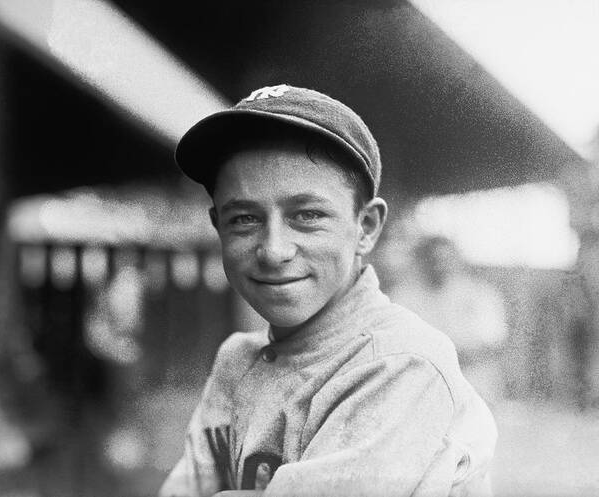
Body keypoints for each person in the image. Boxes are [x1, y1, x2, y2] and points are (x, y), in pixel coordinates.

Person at [159, 84, 497, 497]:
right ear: (218, 226)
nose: (273, 250)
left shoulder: (399, 362)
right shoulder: (236, 361)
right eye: (244, 219)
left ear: (366, 228)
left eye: (307, 215)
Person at [388, 236, 508, 404]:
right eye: (432, 259)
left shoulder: (479, 294)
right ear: (421, 261)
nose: (439, 265)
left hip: (472, 385)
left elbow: (490, 342)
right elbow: (397, 345)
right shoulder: (404, 296)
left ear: (457, 260)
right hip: (421, 389)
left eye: (445, 259)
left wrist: (436, 354)